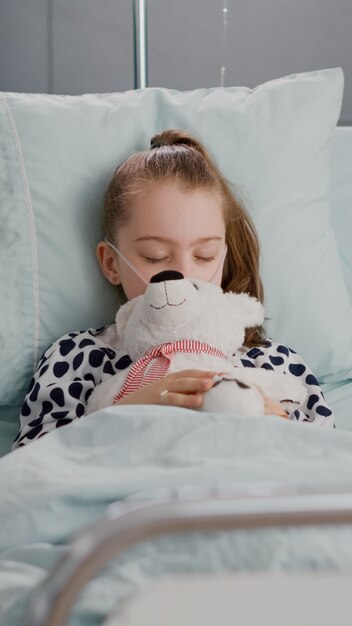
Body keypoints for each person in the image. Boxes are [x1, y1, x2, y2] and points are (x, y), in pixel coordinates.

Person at [13, 129, 334, 449]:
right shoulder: (78, 357)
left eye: (204, 255)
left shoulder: (272, 362)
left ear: (223, 255)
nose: (183, 276)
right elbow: (33, 466)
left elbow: (328, 460)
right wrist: (125, 412)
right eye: (156, 257)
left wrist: (275, 423)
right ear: (111, 263)